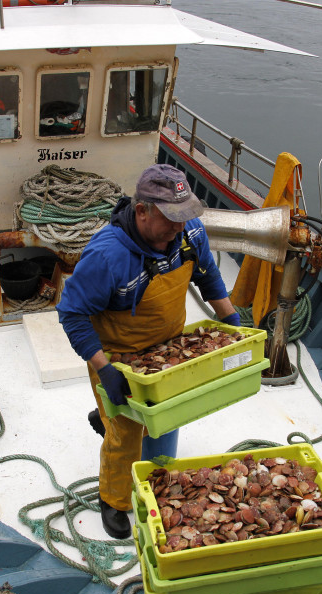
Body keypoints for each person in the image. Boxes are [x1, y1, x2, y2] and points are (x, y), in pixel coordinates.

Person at [56, 164, 241, 539]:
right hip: (118, 355)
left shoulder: (189, 233)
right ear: (142, 211)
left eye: (185, 215)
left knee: (169, 411)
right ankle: (113, 499)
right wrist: (105, 370)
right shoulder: (106, 256)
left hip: (170, 345)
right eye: (171, 218)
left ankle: (103, 414)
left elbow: (207, 274)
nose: (179, 226)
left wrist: (233, 321)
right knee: (125, 432)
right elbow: (72, 314)